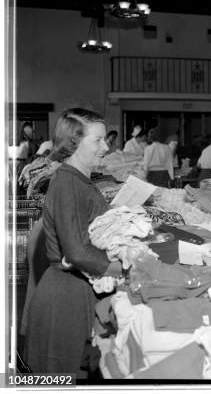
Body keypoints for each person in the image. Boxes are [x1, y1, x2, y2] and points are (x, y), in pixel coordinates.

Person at [24, 108, 123, 377]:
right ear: (73, 143)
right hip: (67, 300)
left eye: (106, 140)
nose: (106, 147)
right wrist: (127, 269)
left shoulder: (79, 179)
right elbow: (77, 252)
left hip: (74, 291)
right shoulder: (68, 183)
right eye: (98, 140)